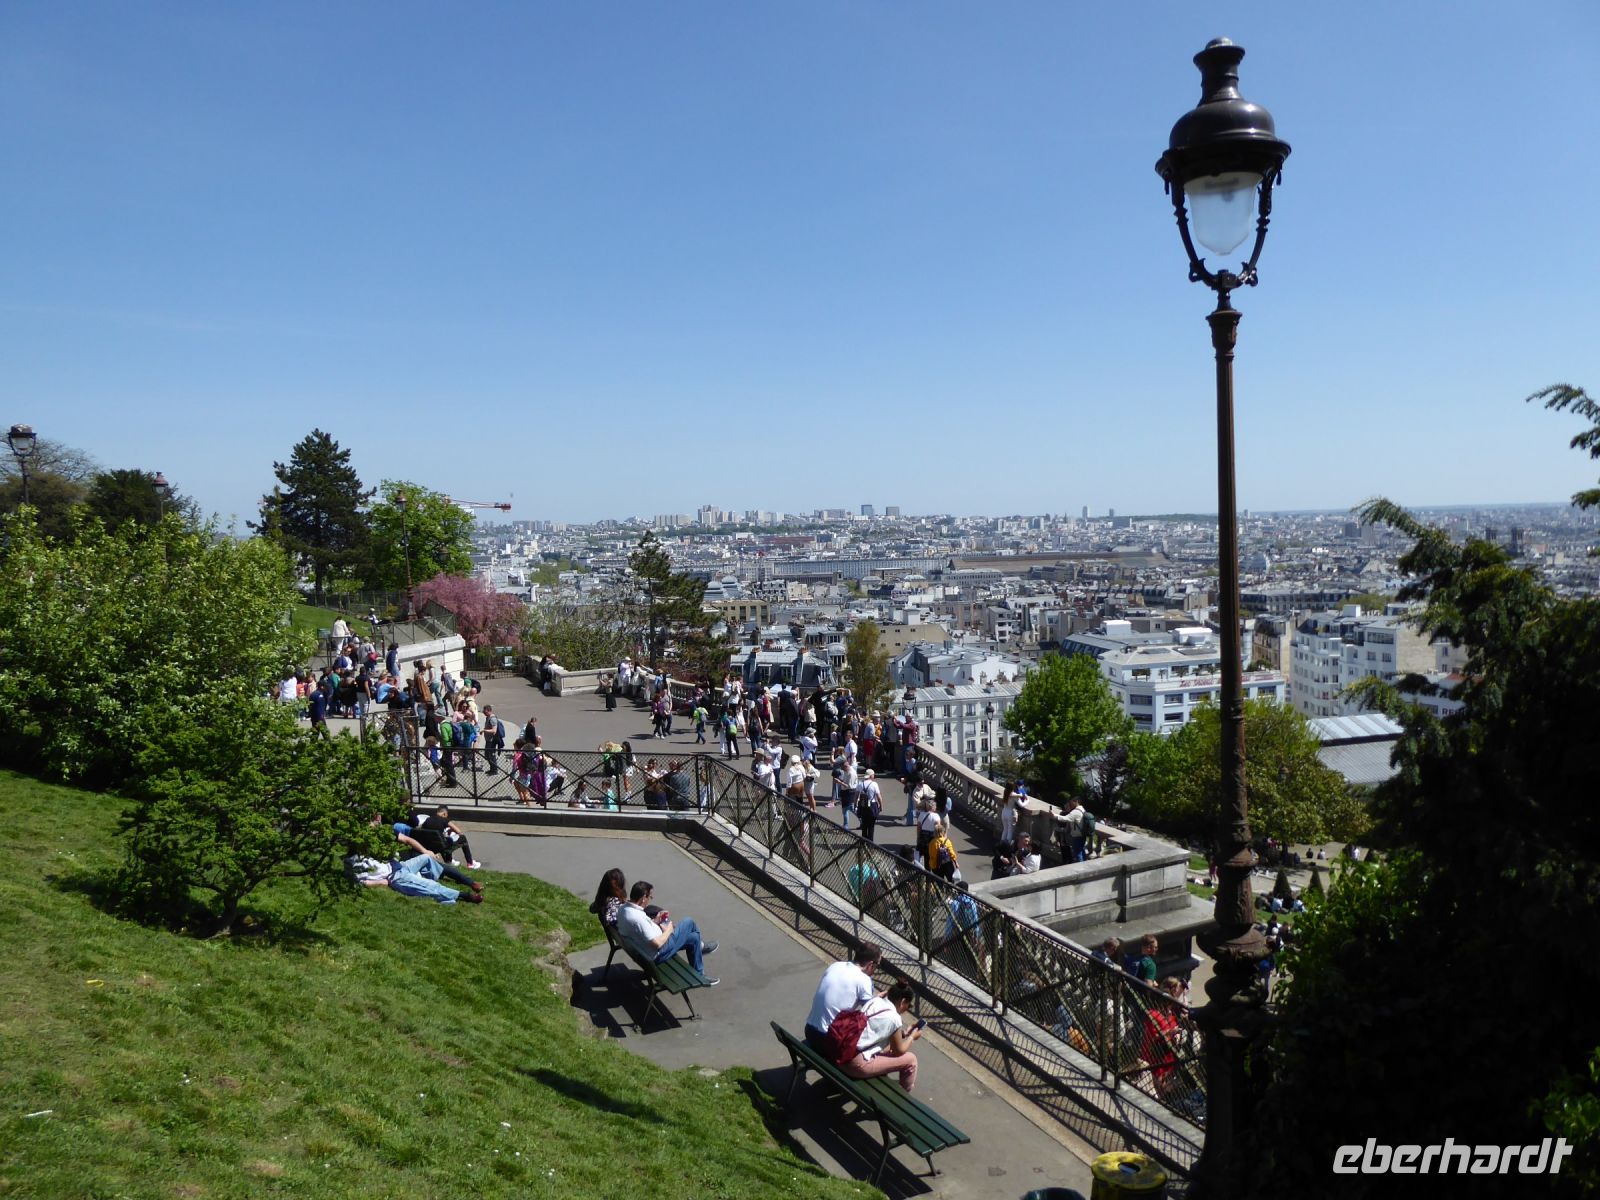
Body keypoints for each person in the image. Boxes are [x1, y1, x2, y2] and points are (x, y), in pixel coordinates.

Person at [615, 880, 718, 983]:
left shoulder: (623, 909)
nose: (650, 900)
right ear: (643, 898)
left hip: (643, 952)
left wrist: (655, 921)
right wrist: (669, 930)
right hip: (658, 953)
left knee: (694, 938)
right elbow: (658, 944)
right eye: (650, 897)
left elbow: (640, 930)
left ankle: (699, 974)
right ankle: (701, 947)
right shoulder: (637, 918)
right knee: (688, 922)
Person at [841, 980, 924, 1093]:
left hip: (843, 1052)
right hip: (855, 1064)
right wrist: (912, 1038)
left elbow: (875, 1031)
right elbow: (898, 1051)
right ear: (903, 1001)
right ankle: (903, 1098)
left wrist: (905, 1033)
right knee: (911, 1060)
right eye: (908, 1005)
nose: (907, 1008)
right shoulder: (894, 1017)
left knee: (888, 1047)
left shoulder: (875, 1001)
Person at [803, 942, 882, 1054]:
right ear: (871, 964)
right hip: (828, 1039)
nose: (876, 969)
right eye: (878, 965)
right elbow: (872, 1012)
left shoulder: (835, 965)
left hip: (810, 1031)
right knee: (872, 1040)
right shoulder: (864, 980)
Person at [346, 850, 484, 904]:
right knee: (431, 887)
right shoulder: (353, 865)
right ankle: (464, 895)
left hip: (400, 866)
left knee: (426, 858)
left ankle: (440, 877)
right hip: (395, 876)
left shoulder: (364, 849)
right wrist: (384, 882)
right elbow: (363, 882)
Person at [856, 769, 882, 842]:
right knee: (871, 826)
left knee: (864, 826)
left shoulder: (860, 784)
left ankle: (863, 843)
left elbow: (856, 796)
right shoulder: (874, 784)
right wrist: (881, 806)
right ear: (871, 775)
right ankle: (870, 844)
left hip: (863, 805)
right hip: (872, 806)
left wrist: (856, 805)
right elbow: (879, 796)